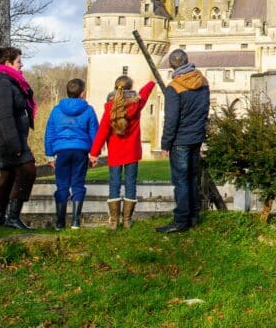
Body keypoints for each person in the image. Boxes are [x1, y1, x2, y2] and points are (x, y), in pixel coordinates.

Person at [90, 75, 156, 229]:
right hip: (132, 151)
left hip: (115, 152)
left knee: (114, 184)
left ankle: (114, 221)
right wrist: (152, 82)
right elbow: (144, 94)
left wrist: (94, 153)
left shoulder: (110, 108)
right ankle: (127, 220)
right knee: (130, 184)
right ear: (131, 89)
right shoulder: (136, 105)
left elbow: (102, 132)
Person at [156, 49, 210, 234]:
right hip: (196, 137)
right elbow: (205, 110)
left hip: (180, 140)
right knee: (191, 179)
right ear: (188, 61)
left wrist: (165, 144)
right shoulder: (203, 82)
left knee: (180, 181)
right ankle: (194, 216)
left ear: (171, 66)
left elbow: (171, 119)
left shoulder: (174, 87)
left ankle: (181, 221)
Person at [0, 46, 37, 230]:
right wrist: (14, 144)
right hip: (7, 138)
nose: (21, 64)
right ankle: (11, 217)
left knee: (7, 176)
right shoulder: (2, 83)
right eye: (18, 61)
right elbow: (5, 115)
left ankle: (0, 219)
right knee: (27, 170)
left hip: (11, 136)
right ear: (8, 63)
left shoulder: (10, 81)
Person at [43, 78, 98, 230]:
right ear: (82, 93)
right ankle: (75, 222)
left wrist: (49, 155)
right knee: (78, 184)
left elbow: (49, 133)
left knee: (62, 185)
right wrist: (94, 154)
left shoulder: (56, 110)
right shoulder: (88, 110)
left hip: (62, 151)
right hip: (80, 151)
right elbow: (95, 133)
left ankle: (60, 223)